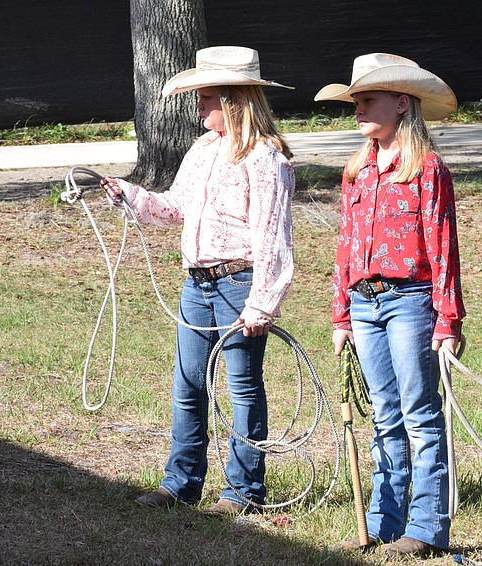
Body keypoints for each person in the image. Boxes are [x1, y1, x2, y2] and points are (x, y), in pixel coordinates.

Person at [100, 46, 295, 515]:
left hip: (238, 282)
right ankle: (181, 483)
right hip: (198, 283)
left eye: (207, 98)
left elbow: (272, 234)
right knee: (188, 383)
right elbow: (176, 209)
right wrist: (132, 196)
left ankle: (243, 491)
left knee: (242, 386)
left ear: (234, 101)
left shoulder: (266, 158)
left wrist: (262, 301)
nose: (199, 107)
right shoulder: (202, 149)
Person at [315, 53, 465, 557]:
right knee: (383, 416)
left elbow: (443, 248)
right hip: (365, 304)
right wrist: (341, 314)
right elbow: (345, 245)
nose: (358, 110)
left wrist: (448, 321)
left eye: (368, 100)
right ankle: (383, 520)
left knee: (420, 414)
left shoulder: (427, 169)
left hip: (410, 301)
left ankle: (425, 529)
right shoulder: (356, 171)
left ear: (402, 103)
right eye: (355, 101)